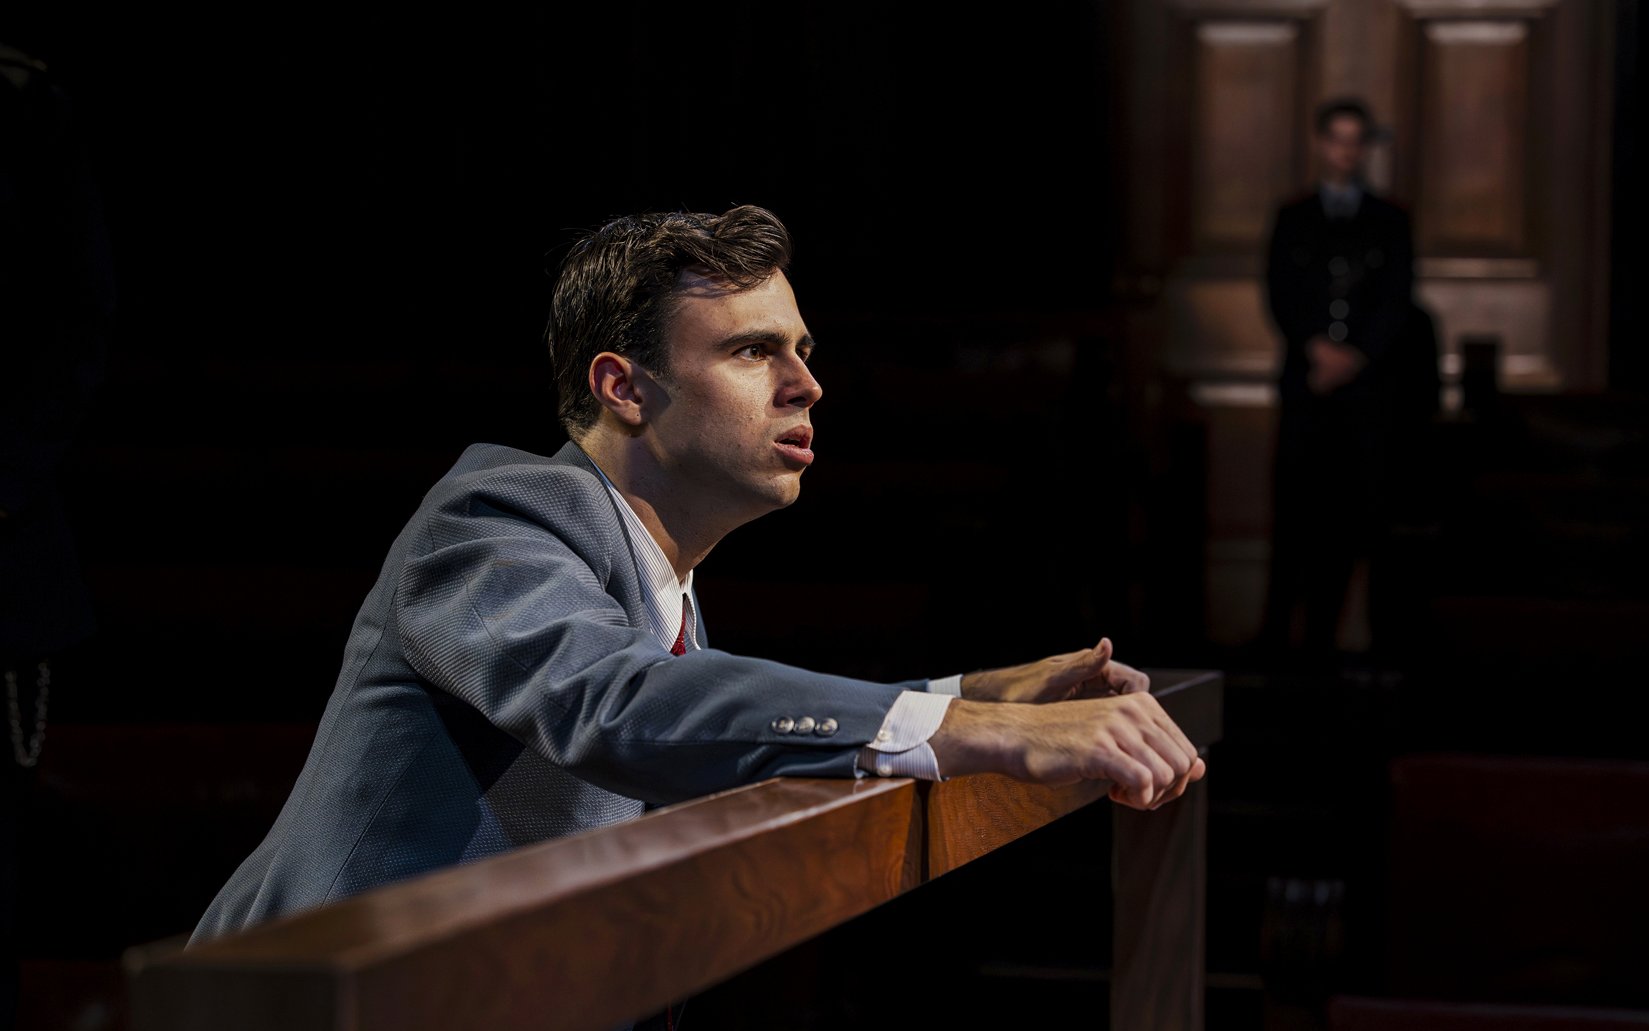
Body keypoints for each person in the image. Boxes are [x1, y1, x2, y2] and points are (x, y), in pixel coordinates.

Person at [189, 205, 1205, 946]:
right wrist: (983, 731)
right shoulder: (491, 518)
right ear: (623, 386)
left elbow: (712, 724)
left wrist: (972, 693)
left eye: (802, 348)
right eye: (754, 349)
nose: (807, 382)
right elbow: (619, 704)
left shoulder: (658, 582)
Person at [1262, 99, 1438, 664]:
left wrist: (1355, 355)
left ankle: (1365, 648)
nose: (1345, 150)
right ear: (1321, 142)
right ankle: (1280, 645)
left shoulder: (1390, 220)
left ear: (1365, 147)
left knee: (1363, 516)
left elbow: (1397, 300)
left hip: (1368, 395)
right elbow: (1280, 292)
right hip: (1306, 387)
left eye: (1355, 139)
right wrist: (1315, 348)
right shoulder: (1293, 216)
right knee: (1295, 515)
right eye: (1336, 138)